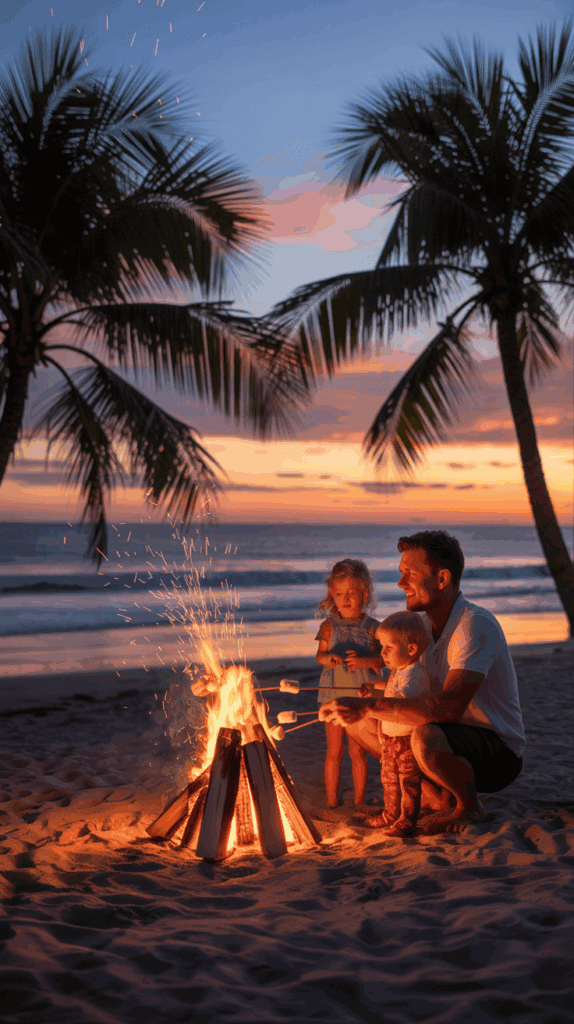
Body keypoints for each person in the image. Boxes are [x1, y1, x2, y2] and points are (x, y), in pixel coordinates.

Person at [320, 532, 525, 834]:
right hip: (445, 736)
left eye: (410, 574)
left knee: (424, 733)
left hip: (495, 752)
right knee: (360, 722)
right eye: (401, 574)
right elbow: (406, 686)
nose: (401, 584)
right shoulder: (420, 628)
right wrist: (367, 698)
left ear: (442, 579)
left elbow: (449, 707)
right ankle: (436, 797)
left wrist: (370, 705)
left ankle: (469, 808)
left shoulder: (473, 625)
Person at [315, 559, 383, 818]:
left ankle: (358, 800)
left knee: (358, 751)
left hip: (360, 697)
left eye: (351, 593)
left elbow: (383, 661)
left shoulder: (373, 627)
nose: (345, 599)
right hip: (332, 694)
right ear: (332, 593)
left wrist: (365, 661)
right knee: (334, 750)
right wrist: (328, 659)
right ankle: (332, 799)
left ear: (364, 593)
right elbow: (320, 656)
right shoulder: (328, 627)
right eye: (340, 593)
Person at [362, 611, 430, 836]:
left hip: (407, 740)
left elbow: (402, 700)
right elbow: (392, 688)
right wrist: (374, 687)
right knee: (389, 779)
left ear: (411, 649)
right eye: (382, 647)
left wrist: (375, 701)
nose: (382, 653)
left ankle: (407, 820)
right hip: (391, 740)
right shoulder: (400, 671)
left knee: (408, 782)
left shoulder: (415, 674)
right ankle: (391, 814)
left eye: (388, 648)